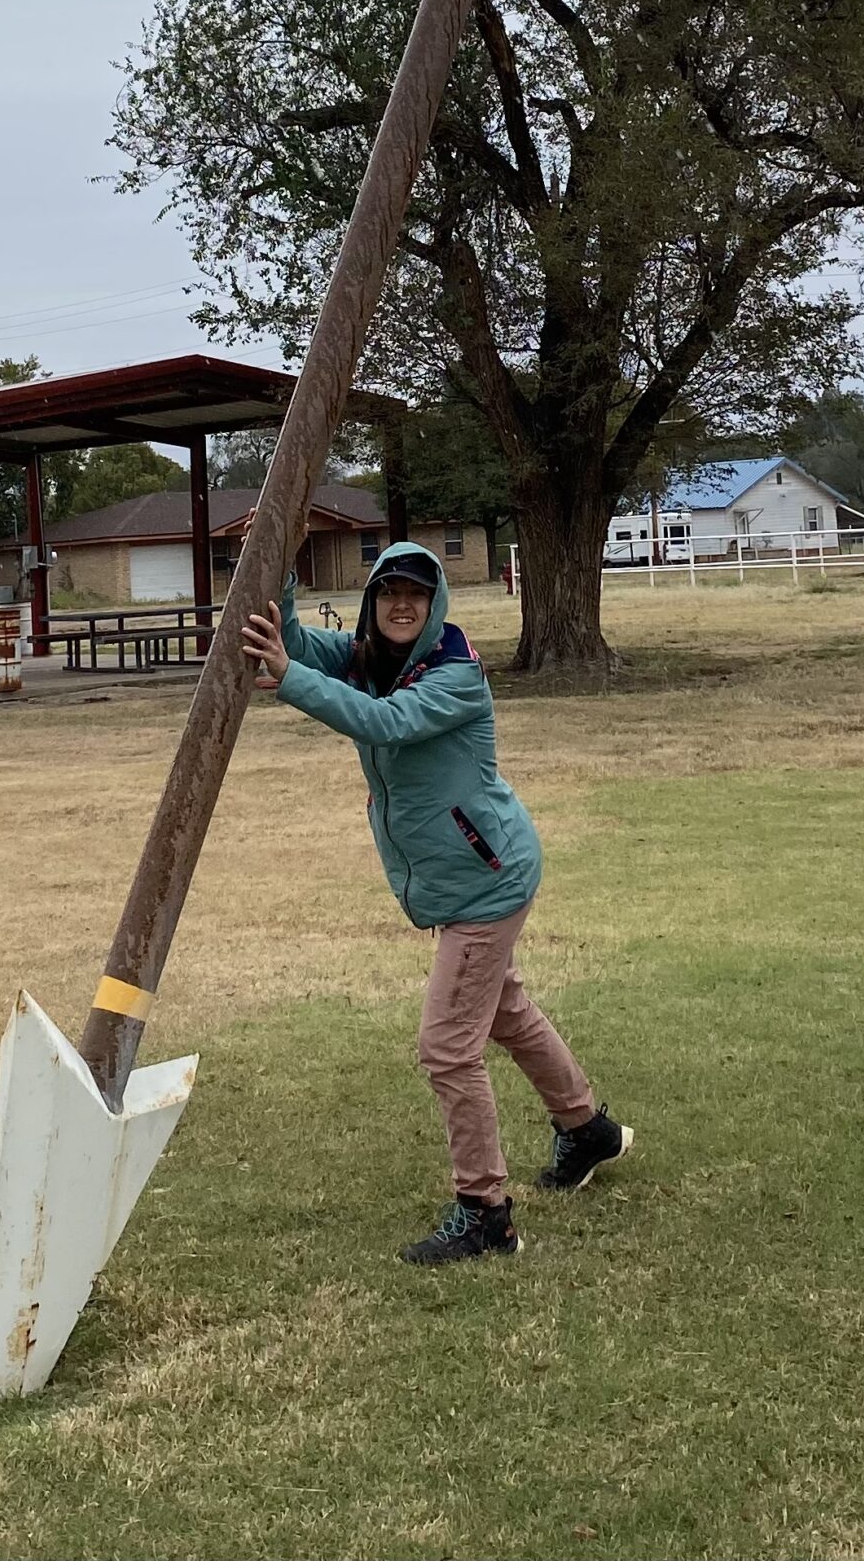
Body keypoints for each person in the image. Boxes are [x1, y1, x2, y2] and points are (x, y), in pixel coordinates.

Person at [239, 541, 632, 1263]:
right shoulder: (367, 656)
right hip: (462, 879)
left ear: (435, 604)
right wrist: (278, 572)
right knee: (505, 1013)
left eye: (415, 595)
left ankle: (486, 1215)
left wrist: (291, 678)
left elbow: (384, 723)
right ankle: (588, 1131)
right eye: (389, 591)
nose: (401, 604)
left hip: (488, 879)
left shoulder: (454, 676)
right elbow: (292, 643)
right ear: (372, 599)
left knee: (448, 1048)